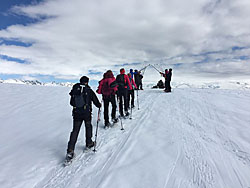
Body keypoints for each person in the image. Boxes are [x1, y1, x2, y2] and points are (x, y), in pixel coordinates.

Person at [66, 76, 101, 161]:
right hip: (86, 113)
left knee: (75, 130)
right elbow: (95, 101)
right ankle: (89, 143)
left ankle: (70, 150)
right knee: (88, 126)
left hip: (76, 113)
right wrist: (99, 105)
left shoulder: (75, 89)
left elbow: (71, 103)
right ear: (87, 82)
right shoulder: (88, 90)